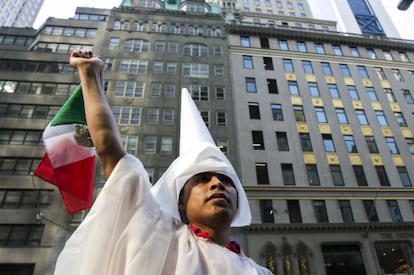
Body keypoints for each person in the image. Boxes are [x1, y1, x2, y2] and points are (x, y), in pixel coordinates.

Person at [54, 50, 272, 274]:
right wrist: (90, 73)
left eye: (226, 181)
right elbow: (110, 149)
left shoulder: (261, 272)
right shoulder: (158, 237)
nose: (217, 184)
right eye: (202, 179)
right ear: (180, 201)